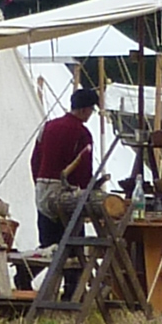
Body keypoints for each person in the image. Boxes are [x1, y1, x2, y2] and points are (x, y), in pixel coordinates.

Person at [30, 75, 100, 250]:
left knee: (48, 247)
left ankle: (24, 276)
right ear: (85, 110)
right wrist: (85, 194)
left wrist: (39, 183)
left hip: (43, 191)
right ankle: (72, 278)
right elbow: (84, 171)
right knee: (72, 249)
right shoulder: (82, 134)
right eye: (91, 110)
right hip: (65, 195)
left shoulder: (48, 127)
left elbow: (34, 160)